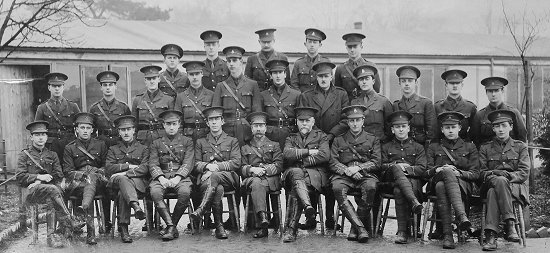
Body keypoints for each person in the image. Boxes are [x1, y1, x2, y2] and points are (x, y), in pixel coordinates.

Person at [17, 121, 84, 248]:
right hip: (32, 192)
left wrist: (41, 181)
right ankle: (69, 221)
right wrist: (38, 177)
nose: (41, 137)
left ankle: (51, 236)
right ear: (31, 137)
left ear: (47, 137)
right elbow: (20, 177)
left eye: (43, 134)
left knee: (52, 195)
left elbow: (58, 174)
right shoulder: (24, 155)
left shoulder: (52, 155)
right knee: (53, 190)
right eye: (37, 135)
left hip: (49, 191)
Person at [298, 61, 348, 229]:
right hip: (314, 141)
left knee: (330, 179)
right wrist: (318, 137)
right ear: (316, 78)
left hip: (334, 142)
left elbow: (345, 119)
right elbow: (304, 120)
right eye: (320, 76)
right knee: (311, 176)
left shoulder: (341, 94)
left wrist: (331, 134)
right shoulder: (307, 95)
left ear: (331, 76)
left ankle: (329, 218)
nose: (323, 79)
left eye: (326, 76)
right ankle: (311, 219)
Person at [424, 111, 478, 249]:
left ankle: (448, 235)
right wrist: (436, 170)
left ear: (460, 128)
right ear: (442, 129)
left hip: (462, 185)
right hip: (436, 182)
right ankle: (462, 216)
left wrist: (458, 173)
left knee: (442, 186)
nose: (450, 130)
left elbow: (476, 173)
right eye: (447, 128)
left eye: (453, 127)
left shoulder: (470, 147)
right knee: (444, 176)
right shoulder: (433, 147)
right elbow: (426, 172)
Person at [329, 105, 382, 243]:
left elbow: (376, 162)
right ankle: (361, 229)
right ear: (347, 122)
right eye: (352, 121)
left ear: (363, 121)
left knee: (371, 187)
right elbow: (333, 162)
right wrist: (347, 170)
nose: (355, 123)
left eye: (358, 120)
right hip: (344, 175)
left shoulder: (372, 139)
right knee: (337, 188)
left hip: (365, 175)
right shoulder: (338, 139)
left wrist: (358, 168)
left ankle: (354, 229)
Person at [479, 109, 529, 251]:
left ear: (511, 127)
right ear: (493, 128)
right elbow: (481, 173)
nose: (501, 129)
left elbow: (524, 172)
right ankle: (510, 224)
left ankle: (491, 237)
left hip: (514, 187)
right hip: (491, 182)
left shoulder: (520, 147)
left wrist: (508, 177)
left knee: (493, 193)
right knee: (498, 182)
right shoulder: (485, 148)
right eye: (497, 126)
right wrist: (495, 173)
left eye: (504, 125)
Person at [190, 106, 241, 239]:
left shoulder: (232, 141)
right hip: (207, 183)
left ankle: (201, 208)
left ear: (222, 121)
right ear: (207, 123)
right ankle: (219, 226)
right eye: (211, 120)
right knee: (217, 189)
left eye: (217, 119)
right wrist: (207, 166)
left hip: (229, 179)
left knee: (215, 176)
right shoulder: (201, 142)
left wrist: (215, 168)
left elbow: (236, 163)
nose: (214, 122)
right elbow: (195, 164)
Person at [282, 106, 330, 242]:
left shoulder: (321, 136)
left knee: (297, 187)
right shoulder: (291, 137)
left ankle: (291, 230)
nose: (304, 123)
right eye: (301, 121)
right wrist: (308, 152)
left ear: (313, 122)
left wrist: (300, 159)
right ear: (296, 122)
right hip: (292, 174)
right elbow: (287, 154)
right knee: (296, 174)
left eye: (307, 121)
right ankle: (308, 207)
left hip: (313, 176)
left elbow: (324, 156)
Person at [148, 110, 195, 241]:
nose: (171, 127)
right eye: (168, 124)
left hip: (181, 177)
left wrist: (178, 177)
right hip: (161, 176)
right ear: (163, 125)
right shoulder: (156, 143)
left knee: (185, 192)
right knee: (155, 193)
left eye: (174, 123)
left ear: (179, 124)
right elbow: (153, 164)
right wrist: (161, 178)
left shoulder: (187, 141)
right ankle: (171, 226)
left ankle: (170, 226)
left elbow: (188, 162)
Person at [62, 112, 108, 245]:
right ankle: (91, 234)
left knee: (92, 180)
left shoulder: (101, 145)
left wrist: (97, 172)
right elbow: (68, 171)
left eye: (88, 128)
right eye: (82, 128)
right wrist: (83, 175)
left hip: (97, 180)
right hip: (78, 184)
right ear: (76, 129)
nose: (85, 131)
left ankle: (84, 209)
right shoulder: (69, 148)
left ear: (93, 129)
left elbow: (107, 166)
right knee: (89, 183)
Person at [381, 110, 426, 244]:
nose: (401, 129)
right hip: (389, 181)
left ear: (408, 128)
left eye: (403, 126)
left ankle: (402, 232)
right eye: (397, 127)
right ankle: (414, 202)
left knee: (399, 190)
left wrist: (405, 169)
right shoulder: (386, 147)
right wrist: (397, 166)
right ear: (392, 130)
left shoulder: (418, 147)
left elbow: (422, 168)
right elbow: (381, 166)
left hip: (411, 183)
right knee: (395, 167)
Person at [105, 115, 149, 243]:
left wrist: (124, 174)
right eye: (123, 130)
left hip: (137, 184)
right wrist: (128, 166)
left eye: (128, 129)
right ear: (118, 132)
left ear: (134, 130)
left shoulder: (143, 148)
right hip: (116, 183)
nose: (126, 132)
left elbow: (145, 168)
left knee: (122, 192)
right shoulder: (113, 149)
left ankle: (124, 229)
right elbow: (108, 168)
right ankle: (135, 206)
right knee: (121, 183)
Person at [240, 112, 283, 238]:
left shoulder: (274, 145)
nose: (258, 129)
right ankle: (263, 218)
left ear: (265, 128)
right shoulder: (245, 147)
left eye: (261, 125)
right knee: (256, 183)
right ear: (251, 128)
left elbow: (279, 165)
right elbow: (241, 167)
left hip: (270, 180)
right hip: (252, 179)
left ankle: (262, 222)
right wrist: (252, 169)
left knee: (259, 183)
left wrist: (264, 170)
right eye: (255, 126)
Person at [212, 46, 261, 146]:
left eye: (234, 60)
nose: (231, 64)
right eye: (229, 61)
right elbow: (215, 114)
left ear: (241, 61)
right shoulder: (221, 86)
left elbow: (257, 113)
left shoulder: (252, 85)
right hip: (227, 131)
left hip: (247, 130)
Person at [35, 72, 80, 161]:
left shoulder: (72, 106)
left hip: (69, 144)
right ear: (49, 87)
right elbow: (37, 129)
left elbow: (81, 126)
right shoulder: (42, 108)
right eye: (54, 86)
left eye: (59, 86)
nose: (57, 89)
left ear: (63, 87)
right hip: (50, 145)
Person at [470, 77, 527, 148]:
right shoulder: (479, 115)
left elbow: (522, 139)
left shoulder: (513, 113)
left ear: (502, 91)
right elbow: (475, 140)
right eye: (490, 91)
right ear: (486, 93)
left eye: (496, 90)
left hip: (511, 156)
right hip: (487, 156)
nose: (493, 94)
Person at [259, 59, 300, 149]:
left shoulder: (296, 94)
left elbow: (300, 118)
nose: (278, 76)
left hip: (290, 134)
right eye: (274, 73)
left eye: (280, 72)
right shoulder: (263, 95)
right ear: (271, 76)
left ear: (285, 74)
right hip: (270, 135)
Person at [392, 66, 436, 146]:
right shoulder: (396, 105)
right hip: (402, 146)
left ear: (416, 83)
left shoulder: (426, 103)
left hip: (421, 145)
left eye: (410, 81)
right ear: (399, 83)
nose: (406, 84)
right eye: (403, 81)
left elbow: (431, 131)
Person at [132, 65, 175, 146]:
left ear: (159, 79)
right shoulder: (137, 100)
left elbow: (172, 123)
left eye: (154, 78)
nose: (151, 81)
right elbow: (134, 124)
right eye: (149, 79)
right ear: (145, 80)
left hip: (161, 140)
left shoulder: (168, 100)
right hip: (142, 141)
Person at [350, 63, 393, 142]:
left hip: (379, 144)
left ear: (373, 81)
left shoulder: (383, 101)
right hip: (360, 145)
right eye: (361, 79)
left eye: (367, 79)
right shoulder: (354, 102)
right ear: (358, 83)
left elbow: (390, 128)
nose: (364, 82)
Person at [89, 71, 131, 148]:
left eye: (110, 85)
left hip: (119, 143)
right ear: (101, 88)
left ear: (115, 86)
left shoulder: (124, 107)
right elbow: (91, 131)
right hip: (101, 144)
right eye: (105, 85)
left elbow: (130, 128)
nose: (108, 88)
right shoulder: (94, 108)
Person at [334, 33, 381, 100]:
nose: (352, 50)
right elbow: (338, 92)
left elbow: (376, 89)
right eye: (349, 47)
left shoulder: (371, 66)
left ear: (361, 47)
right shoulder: (341, 69)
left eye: (355, 46)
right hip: (348, 106)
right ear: (346, 48)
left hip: (367, 104)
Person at [175, 61, 213, 142]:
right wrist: (181, 140)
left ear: (202, 74)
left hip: (206, 138)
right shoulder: (181, 96)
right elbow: (178, 122)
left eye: (197, 74)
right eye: (191, 74)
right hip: (187, 138)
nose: (194, 77)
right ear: (187, 75)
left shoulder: (211, 95)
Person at [434, 69, 477, 141]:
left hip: (463, 147)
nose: (455, 86)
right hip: (442, 147)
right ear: (446, 85)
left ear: (462, 85)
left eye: (457, 83)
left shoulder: (470, 107)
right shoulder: (437, 107)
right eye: (451, 83)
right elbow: (434, 131)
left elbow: (474, 132)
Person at [290, 28, 330, 93]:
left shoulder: (325, 62)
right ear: (305, 44)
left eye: (315, 42)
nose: (312, 45)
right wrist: (301, 98)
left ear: (320, 45)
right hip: (302, 99)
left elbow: (330, 84)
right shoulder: (298, 63)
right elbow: (294, 84)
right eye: (310, 42)